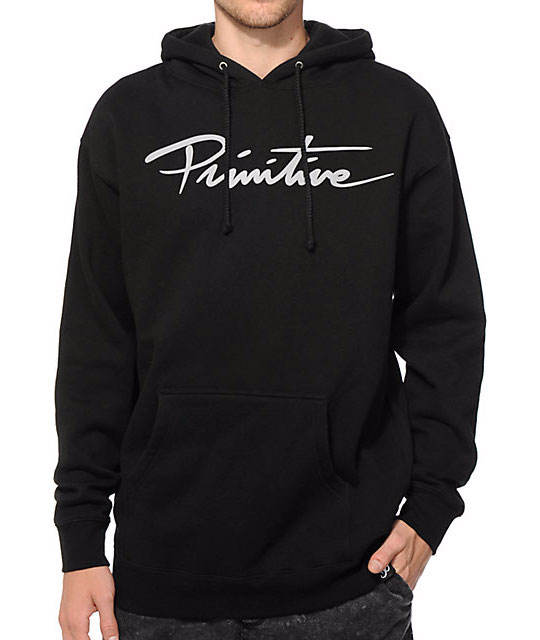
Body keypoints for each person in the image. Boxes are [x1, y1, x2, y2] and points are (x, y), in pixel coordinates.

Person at [54, 1, 485, 638]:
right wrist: (81, 538)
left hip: (352, 584)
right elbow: (97, 336)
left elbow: (446, 321)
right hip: (164, 584)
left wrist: (431, 505)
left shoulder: (396, 111)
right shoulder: (130, 117)